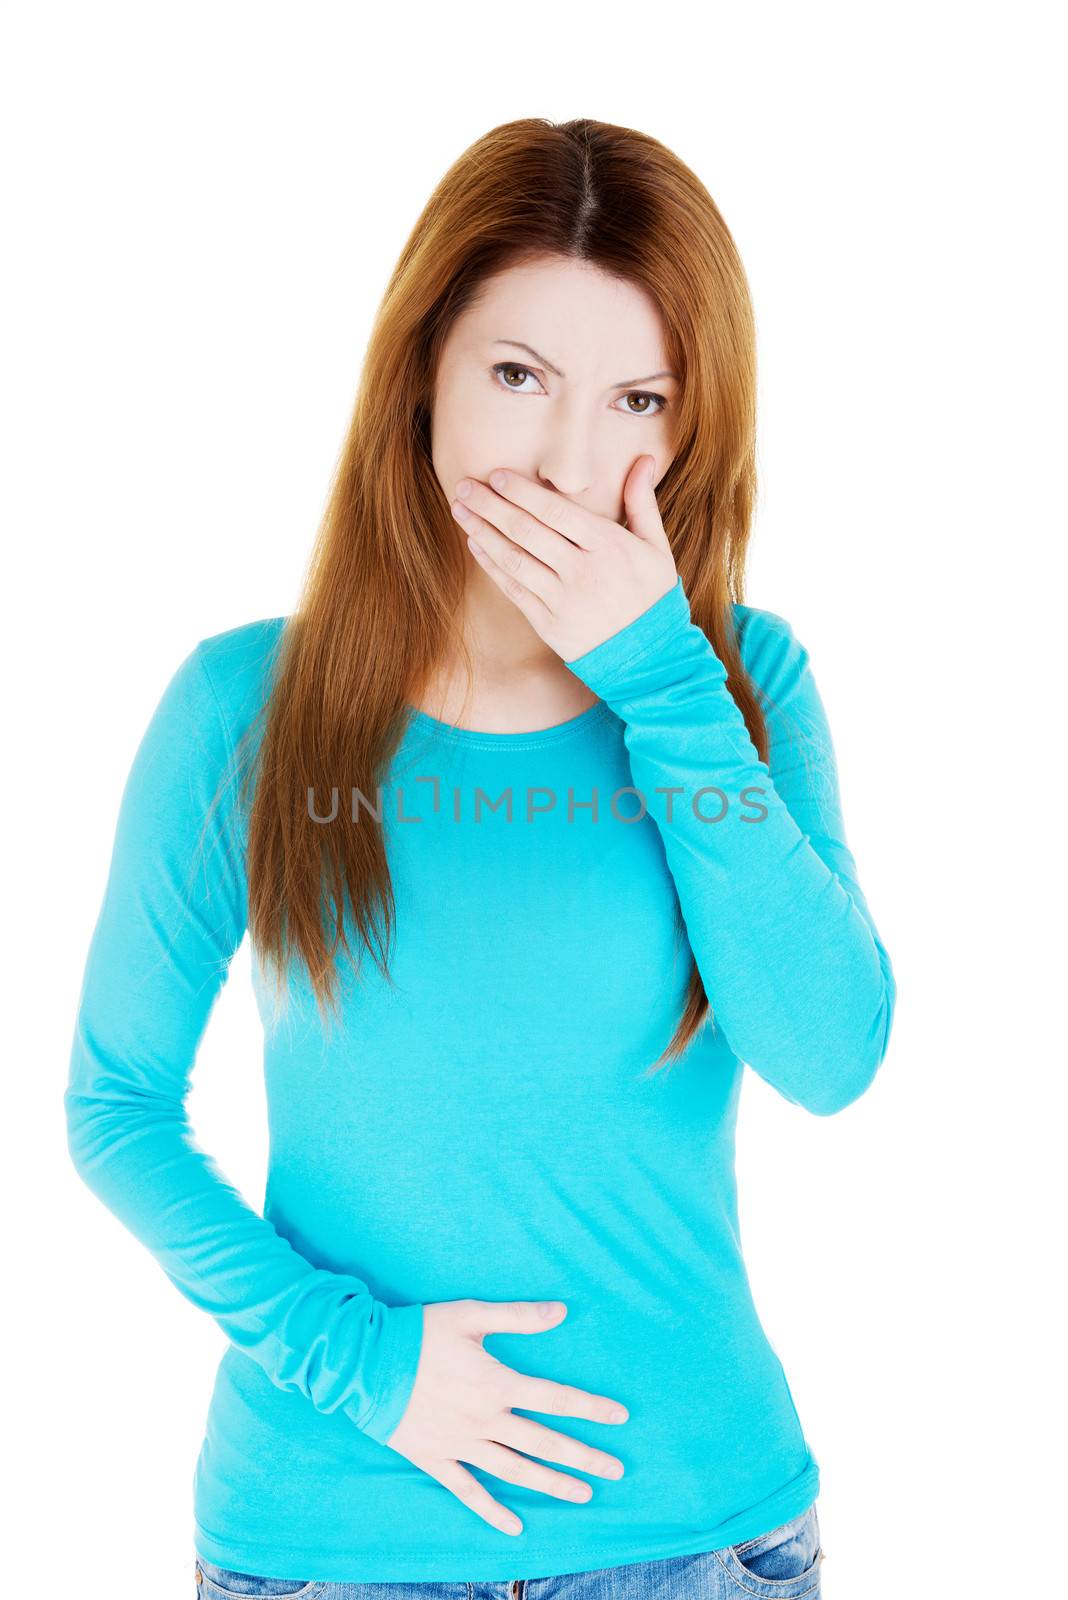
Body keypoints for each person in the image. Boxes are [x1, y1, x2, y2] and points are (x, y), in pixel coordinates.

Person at [65, 116, 895, 1597]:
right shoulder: (243, 709)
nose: (572, 462)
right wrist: (360, 1363)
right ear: (423, 372)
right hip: (324, 1541)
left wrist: (662, 684)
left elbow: (831, 1055)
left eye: (637, 397)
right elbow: (114, 1106)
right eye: (520, 378)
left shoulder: (741, 686)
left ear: (691, 426)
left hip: (690, 1538)